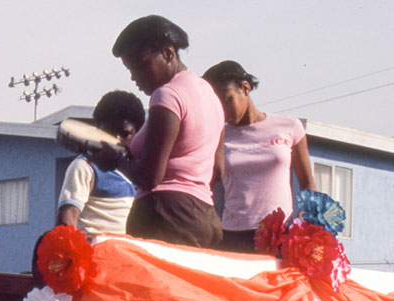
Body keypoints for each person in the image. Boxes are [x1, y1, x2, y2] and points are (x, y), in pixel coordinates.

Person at [106, 15, 225, 248]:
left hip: (163, 216)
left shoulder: (167, 95)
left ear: (169, 53)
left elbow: (150, 178)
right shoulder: (210, 95)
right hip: (204, 217)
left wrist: (115, 160)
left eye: (142, 65)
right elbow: (217, 170)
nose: (134, 77)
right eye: (130, 69)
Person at [203, 60, 316, 253]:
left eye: (226, 99)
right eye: (216, 104)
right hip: (233, 237)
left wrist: (303, 222)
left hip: (280, 234)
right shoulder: (217, 134)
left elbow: (307, 184)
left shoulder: (289, 126)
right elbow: (207, 185)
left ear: (245, 88)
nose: (223, 110)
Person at [56, 90, 146, 236]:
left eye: (124, 134)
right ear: (97, 129)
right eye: (109, 132)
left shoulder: (144, 172)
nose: (116, 140)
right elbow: (67, 220)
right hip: (95, 254)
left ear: (138, 133)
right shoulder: (84, 167)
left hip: (131, 255)